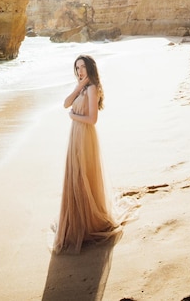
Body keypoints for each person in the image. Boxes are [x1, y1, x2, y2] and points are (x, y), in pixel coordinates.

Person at [53, 54, 121, 254]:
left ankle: (88, 224)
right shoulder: (82, 87)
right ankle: (76, 223)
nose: (80, 71)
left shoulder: (92, 89)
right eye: (77, 68)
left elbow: (92, 119)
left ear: (90, 68)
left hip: (85, 136)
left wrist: (74, 116)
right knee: (74, 175)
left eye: (83, 67)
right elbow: (66, 103)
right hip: (75, 135)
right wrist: (76, 88)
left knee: (83, 176)